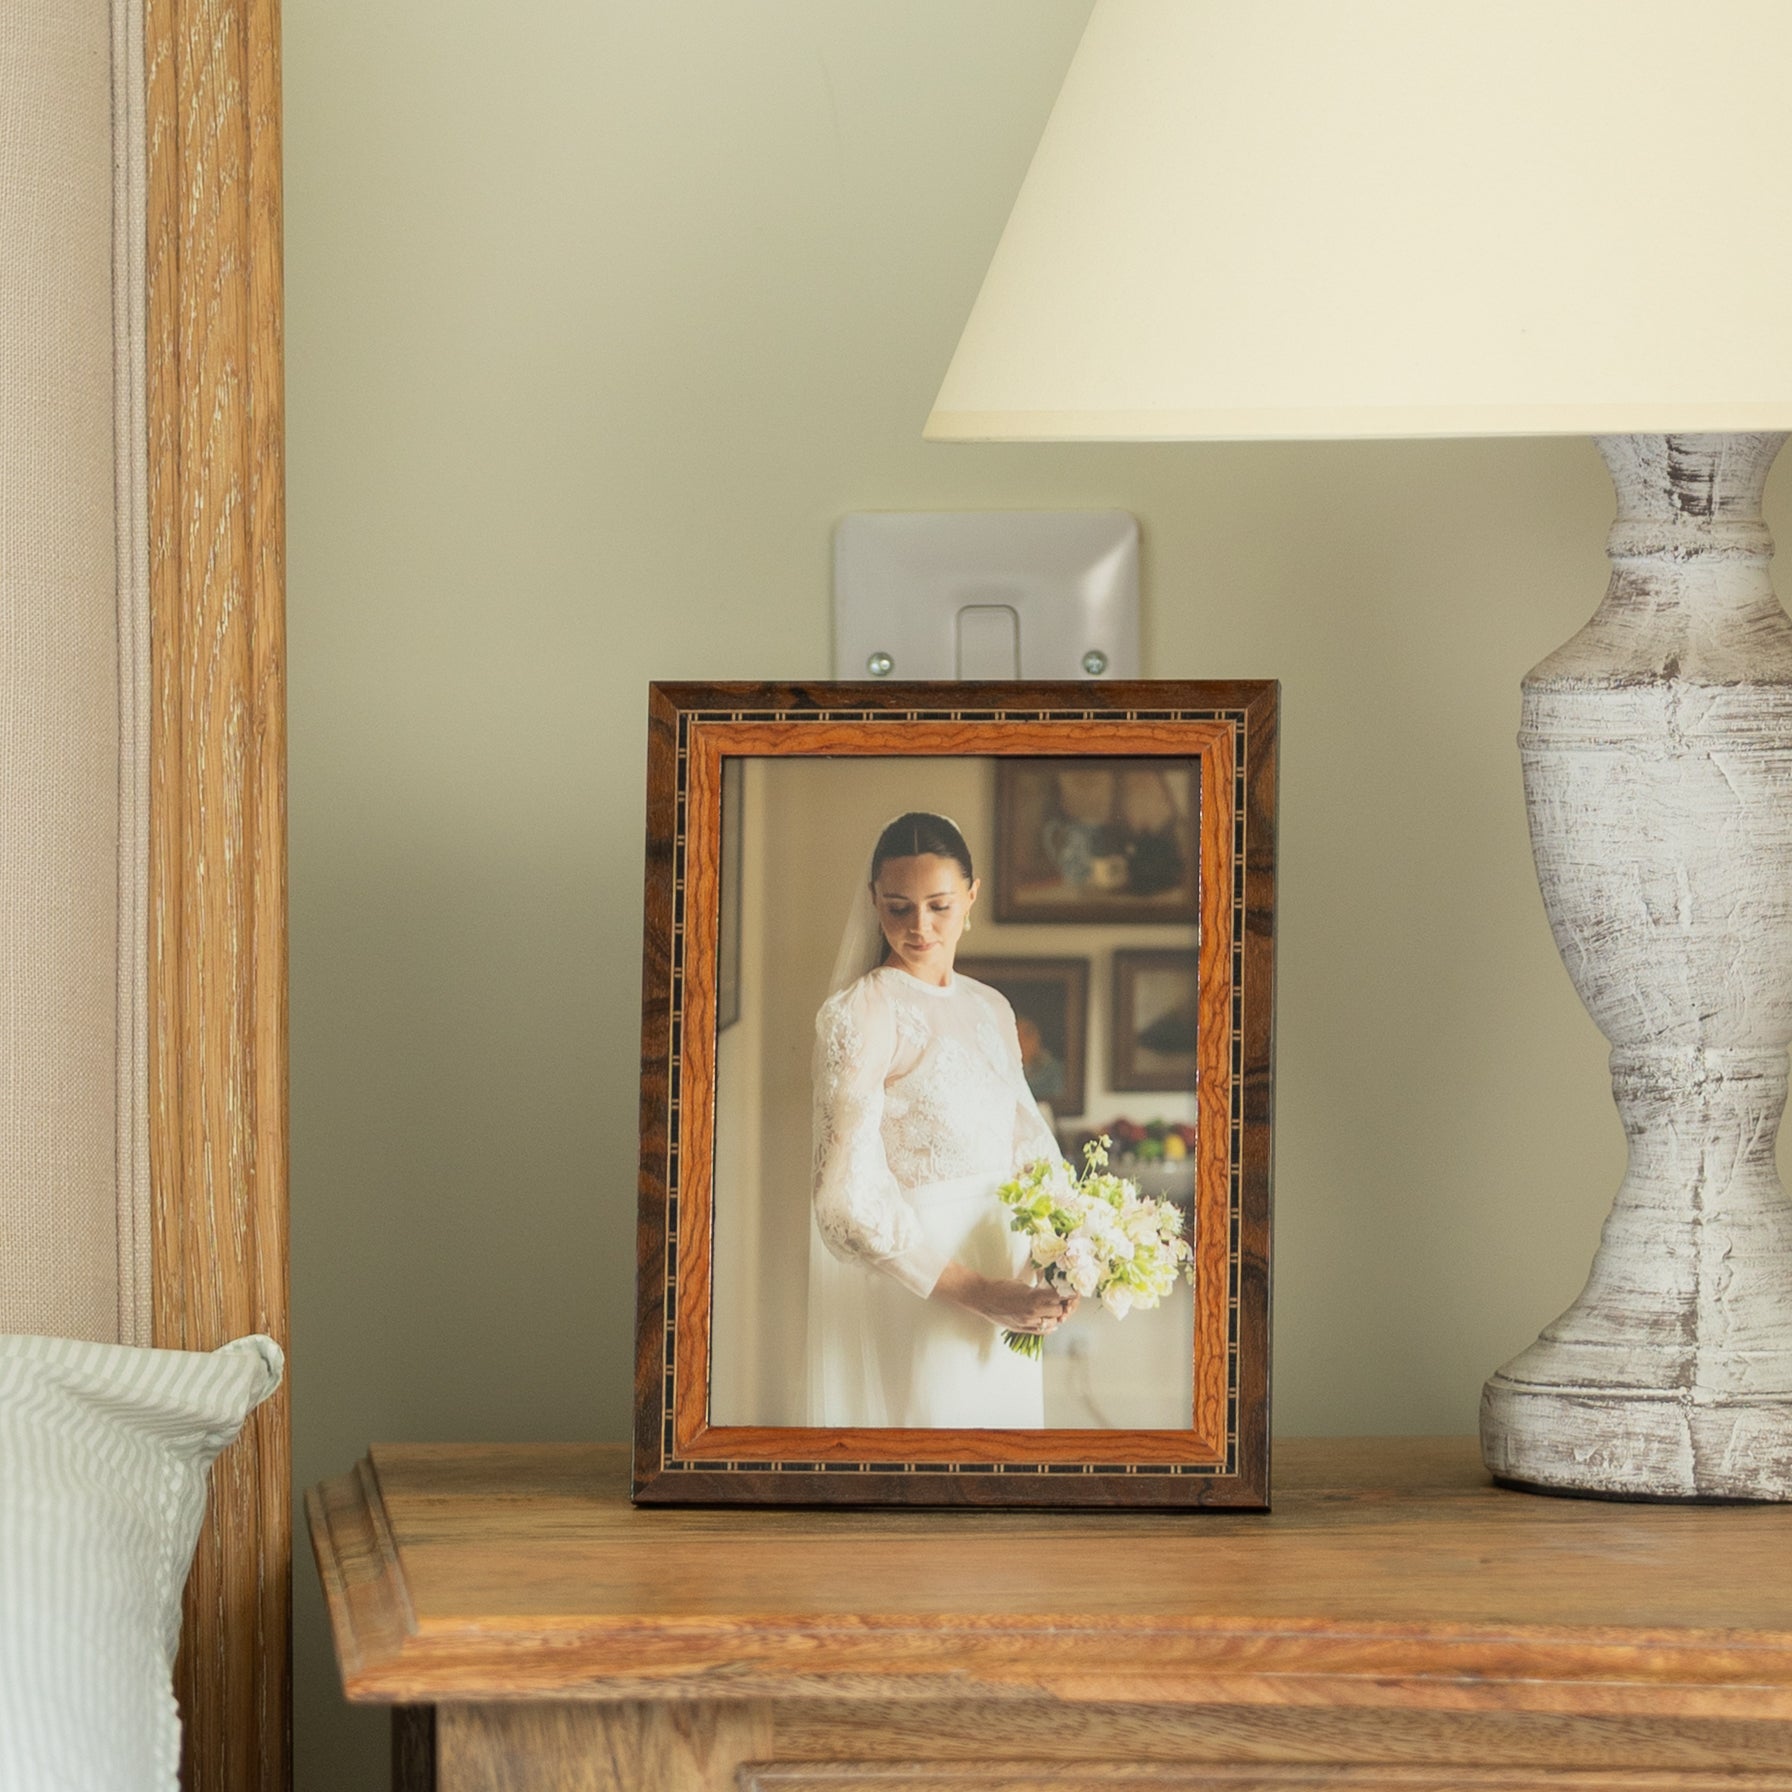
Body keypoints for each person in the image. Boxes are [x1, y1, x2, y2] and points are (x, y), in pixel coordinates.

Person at [807, 811, 1076, 1428]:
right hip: (927, 1282)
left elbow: (1027, 1143)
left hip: (1007, 1265)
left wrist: (1066, 1261)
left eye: (939, 906)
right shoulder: (862, 1012)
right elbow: (844, 1197)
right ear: (873, 900)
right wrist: (976, 1292)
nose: (920, 927)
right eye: (898, 907)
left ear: (971, 898)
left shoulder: (991, 1007)